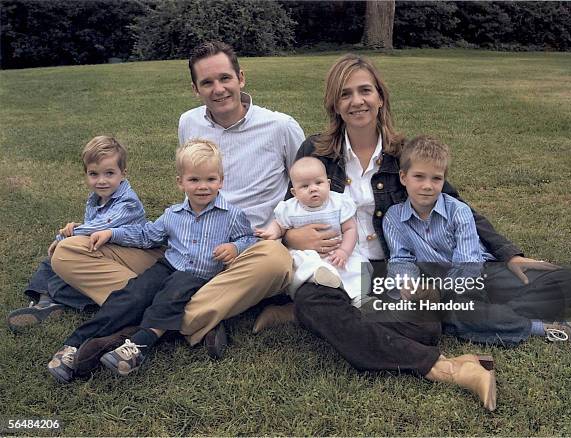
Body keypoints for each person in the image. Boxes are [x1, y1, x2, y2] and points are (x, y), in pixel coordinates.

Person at [254, 54, 502, 411]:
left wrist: (509, 252)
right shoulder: (315, 152)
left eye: (365, 90)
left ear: (380, 97)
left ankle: (301, 316)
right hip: (330, 265)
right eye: (346, 94)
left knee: (425, 329)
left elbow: (455, 205)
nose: (357, 101)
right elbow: (287, 209)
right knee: (316, 298)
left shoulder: (403, 153)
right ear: (335, 104)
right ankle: (451, 370)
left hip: (386, 268)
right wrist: (292, 238)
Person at [50, 41, 305, 356]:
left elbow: (304, 188)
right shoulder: (190, 122)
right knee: (68, 253)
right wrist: (86, 230)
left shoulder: (281, 127)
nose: (218, 89)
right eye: (207, 82)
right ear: (195, 89)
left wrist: (290, 231)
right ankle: (198, 314)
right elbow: (191, 180)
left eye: (225, 78)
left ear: (241, 78)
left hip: (243, 252)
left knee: (276, 262)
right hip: (184, 248)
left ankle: (144, 319)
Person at [47, 139, 259, 383]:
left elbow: (248, 238)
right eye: (194, 180)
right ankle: (72, 346)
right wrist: (112, 233)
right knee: (131, 296)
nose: (203, 187)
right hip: (168, 265)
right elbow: (147, 235)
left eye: (210, 180)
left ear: (221, 180)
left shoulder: (232, 215)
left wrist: (235, 246)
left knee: (171, 296)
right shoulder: (173, 215)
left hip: (199, 274)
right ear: (180, 182)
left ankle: (138, 346)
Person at [383, 135, 571, 344]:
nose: (427, 185)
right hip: (449, 293)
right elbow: (401, 259)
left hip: (481, 275)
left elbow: (469, 266)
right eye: (419, 176)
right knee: (453, 309)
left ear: (444, 180)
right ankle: (539, 327)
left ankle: (487, 317)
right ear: (403, 177)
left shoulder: (458, 211)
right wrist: (407, 283)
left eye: (436, 178)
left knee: (569, 281)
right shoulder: (394, 217)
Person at [7, 136, 146, 331]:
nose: (101, 181)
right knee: (52, 261)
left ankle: (53, 296)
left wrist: (66, 236)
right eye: (94, 174)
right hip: (103, 248)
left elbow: (104, 224)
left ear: (123, 174)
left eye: (109, 173)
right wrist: (76, 229)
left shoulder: (128, 202)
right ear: (86, 174)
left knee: (64, 271)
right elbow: (93, 226)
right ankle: (46, 301)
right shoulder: (95, 199)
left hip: (126, 255)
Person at [255, 156, 369, 308]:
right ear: (294, 192)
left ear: (328, 184)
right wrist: (272, 232)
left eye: (318, 182)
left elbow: (350, 229)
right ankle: (320, 276)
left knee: (356, 266)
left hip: (337, 252)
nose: (313, 188)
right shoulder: (290, 208)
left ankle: (359, 297)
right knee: (300, 264)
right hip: (308, 255)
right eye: (305, 186)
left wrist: (344, 251)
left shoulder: (338, 203)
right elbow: (279, 225)